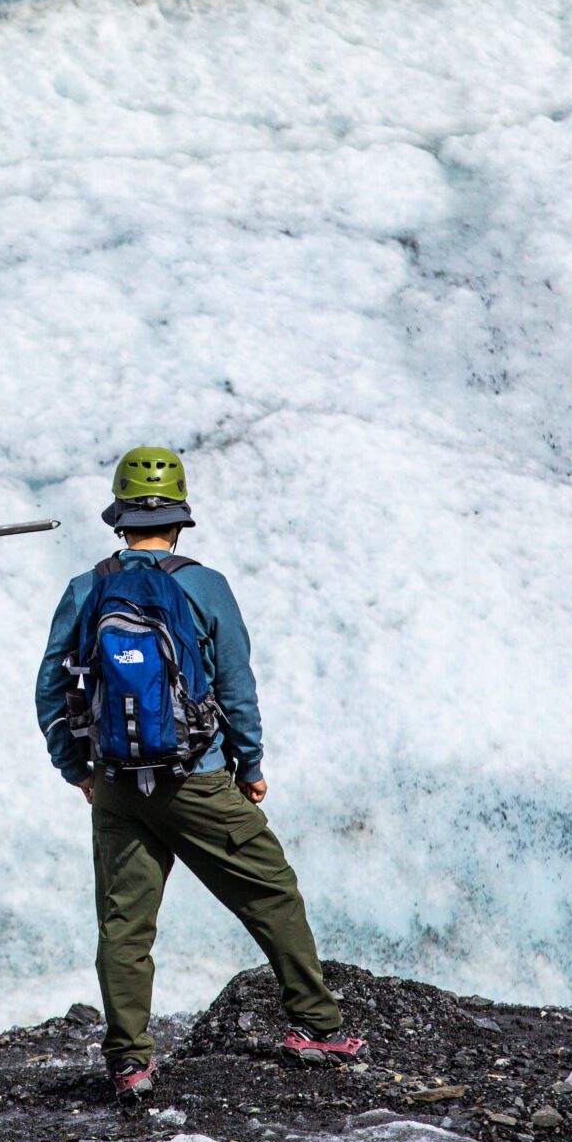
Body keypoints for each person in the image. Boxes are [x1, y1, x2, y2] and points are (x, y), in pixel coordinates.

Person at [34, 447, 363, 1105]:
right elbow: (237, 685)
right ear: (179, 517)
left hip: (119, 786)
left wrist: (79, 770)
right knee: (270, 891)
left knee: (125, 925)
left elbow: (50, 687)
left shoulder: (85, 588)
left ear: (119, 517)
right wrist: (251, 767)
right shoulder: (205, 586)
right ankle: (318, 1026)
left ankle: (129, 1061)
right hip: (200, 781)